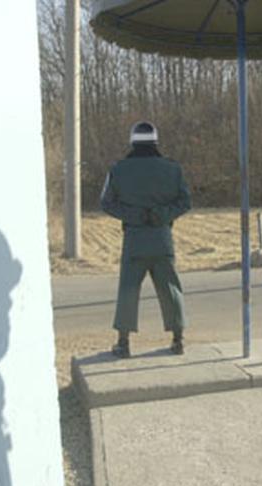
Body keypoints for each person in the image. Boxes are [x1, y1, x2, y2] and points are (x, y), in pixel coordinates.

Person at [101, 121, 191, 358]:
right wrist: (160, 215)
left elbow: (106, 202)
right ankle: (178, 339)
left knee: (128, 289)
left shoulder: (118, 169)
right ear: (155, 141)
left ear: (132, 141)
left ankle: (123, 343)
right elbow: (185, 202)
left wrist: (135, 216)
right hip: (162, 238)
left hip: (134, 239)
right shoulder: (173, 169)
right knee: (170, 288)